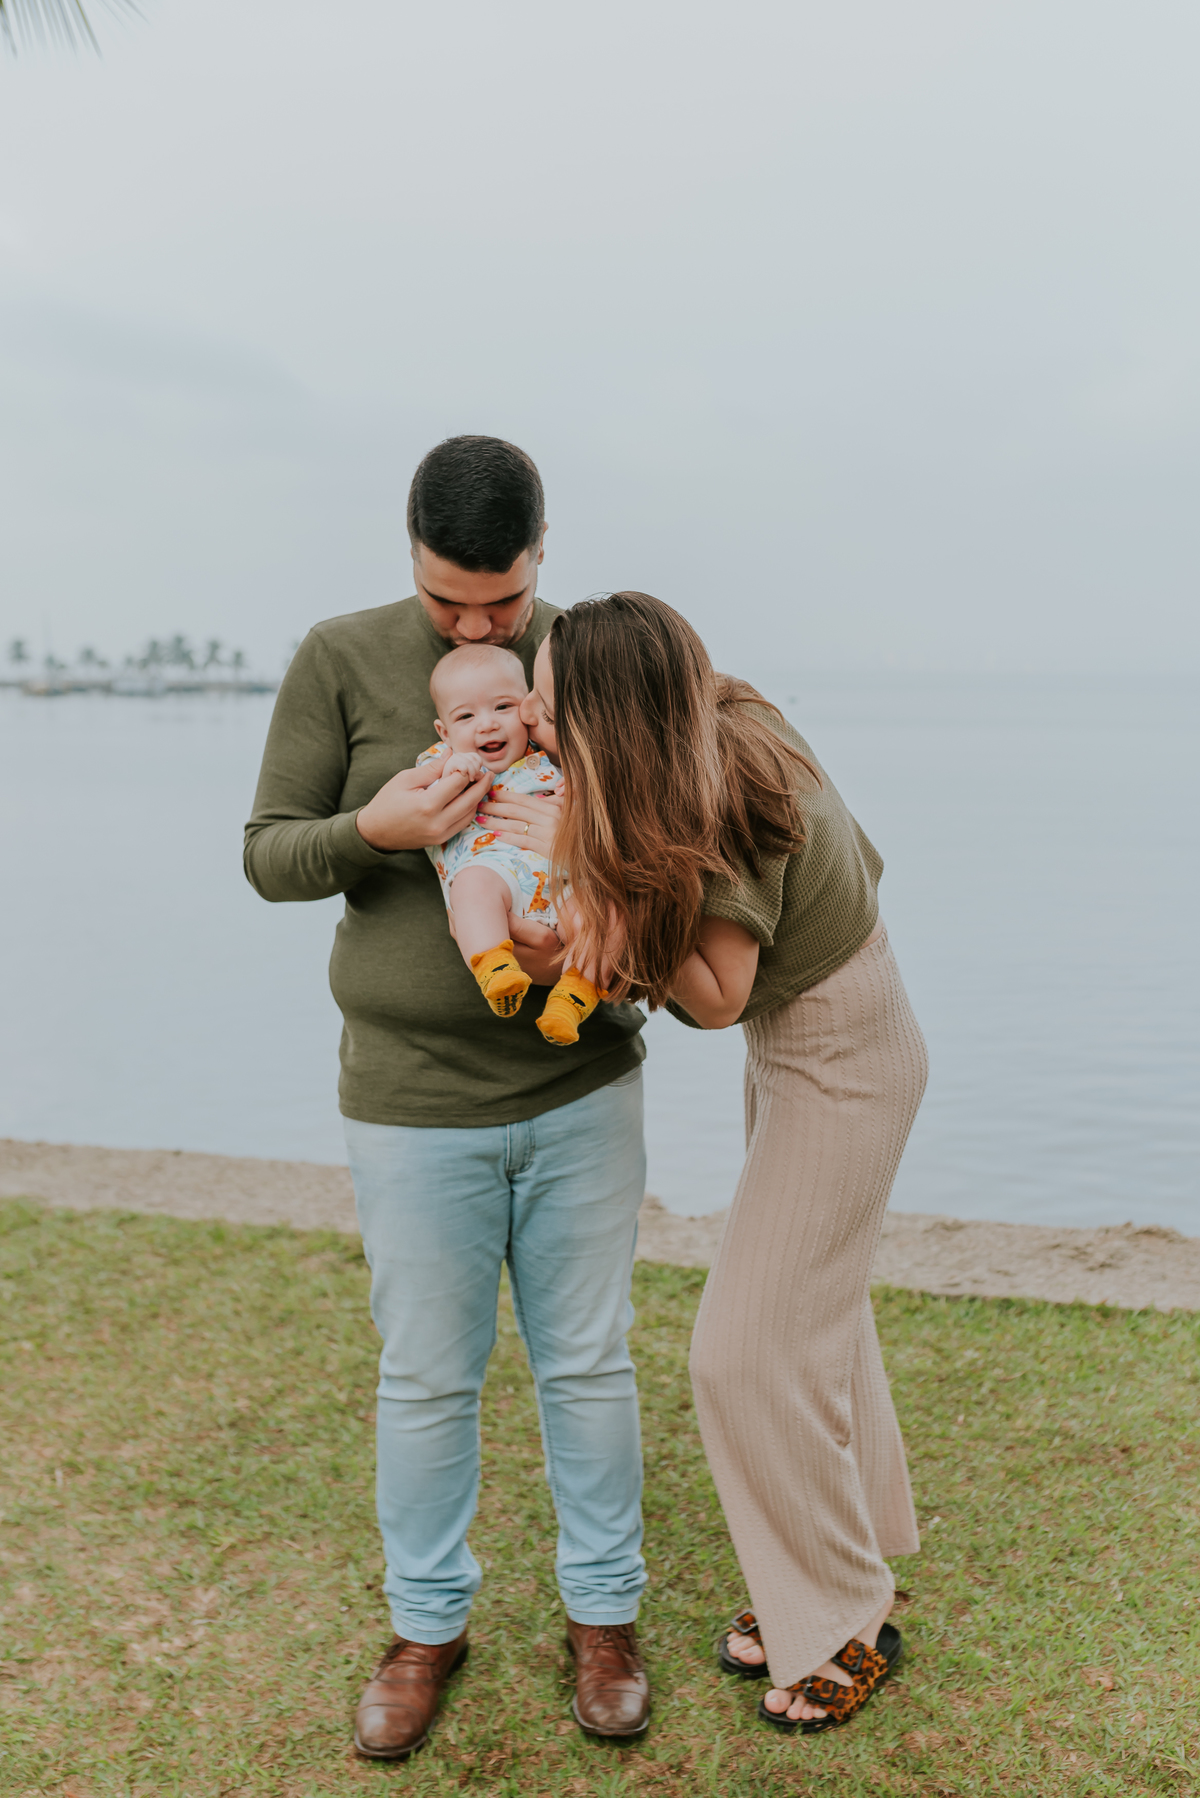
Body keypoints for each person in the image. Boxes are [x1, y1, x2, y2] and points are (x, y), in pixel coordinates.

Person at [243, 439, 652, 1762]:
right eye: (446, 602)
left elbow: (658, 836)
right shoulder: (336, 655)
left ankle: (604, 1617)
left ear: (544, 555)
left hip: (584, 1076)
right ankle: (428, 1626)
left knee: (588, 1363)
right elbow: (267, 855)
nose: (477, 626)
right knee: (427, 1376)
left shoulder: (586, 663)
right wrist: (380, 833)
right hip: (411, 1099)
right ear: (408, 555)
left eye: (502, 600)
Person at [499, 591, 926, 1738]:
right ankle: (843, 1568)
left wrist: (584, 871)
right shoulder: (712, 711)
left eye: (547, 705)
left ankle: (841, 1620)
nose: (532, 720)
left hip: (841, 1055)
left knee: (741, 1352)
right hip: (818, 1039)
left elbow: (716, 991)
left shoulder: (723, 786)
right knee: (817, 1321)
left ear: (609, 715)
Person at [416, 642, 606, 1043]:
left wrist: (580, 790)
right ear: (444, 731)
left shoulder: (551, 758)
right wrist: (455, 768)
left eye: (503, 707)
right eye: (466, 716)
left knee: (609, 917)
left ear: (527, 708)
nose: (487, 724)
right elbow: (425, 794)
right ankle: (495, 967)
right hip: (496, 877)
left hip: (566, 882)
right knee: (472, 887)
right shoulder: (445, 760)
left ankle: (574, 996)